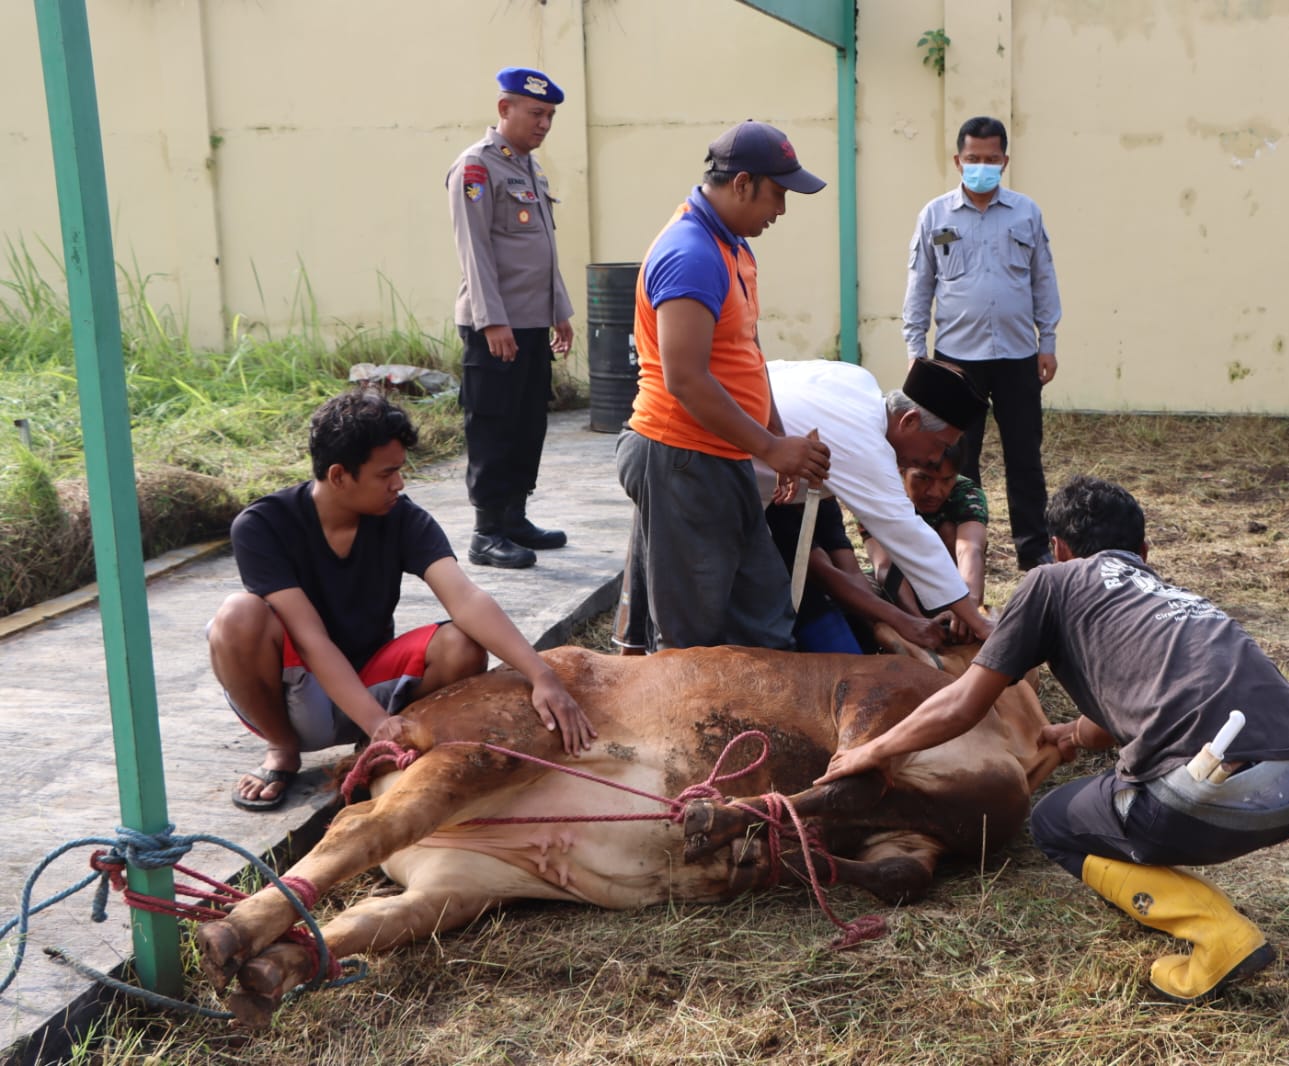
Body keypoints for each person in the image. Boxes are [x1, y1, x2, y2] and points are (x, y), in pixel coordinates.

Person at [819, 476, 1289, 1003]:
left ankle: (1219, 935)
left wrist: (872, 750)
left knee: (1056, 823)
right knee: (1124, 791)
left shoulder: (1051, 582)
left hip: (1212, 791)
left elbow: (962, 702)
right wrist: (1073, 733)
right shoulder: (1177, 599)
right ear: (1144, 552)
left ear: (1058, 549)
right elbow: (1120, 715)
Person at [209, 390, 595, 811]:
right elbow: (310, 639)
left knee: (460, 643)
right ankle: (282, 750)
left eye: (401, 470)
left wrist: (541, 675)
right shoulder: (263, 525)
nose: (399, 483)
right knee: (237, 616)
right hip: (296, 697)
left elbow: (465, 598)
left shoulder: (402, 517)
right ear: (339, 476)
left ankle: (374, 749)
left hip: (374, 681)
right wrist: (378, 723)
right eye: (386, 473)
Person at [614, 120, 831, 652]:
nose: (779, 209)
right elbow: (686, 379)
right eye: (776, 194)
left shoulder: (733, 245)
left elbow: (745, 355)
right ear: (741, 184)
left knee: (761, 613)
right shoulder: (691, 253)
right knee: (690, 638)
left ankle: (748, 726)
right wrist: (769, 448)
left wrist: (776, 438)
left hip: (719, 457)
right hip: (682, 458)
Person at [903, 115, 1061, 571]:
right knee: (956, 459)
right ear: (958, 160)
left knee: (1025, 458)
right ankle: (959, 548)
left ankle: (1034, 552)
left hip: (1018, 356)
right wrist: (917, 352)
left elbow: (1042, 280)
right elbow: (920, 285)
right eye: (973, 159)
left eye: (991, 160)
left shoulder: (1026, 213)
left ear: (1005, 161)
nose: (982, 167)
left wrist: (1046, 341)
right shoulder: (935, 215)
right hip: (956, 360)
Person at [764, 358, 994, 643]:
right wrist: (980, 624)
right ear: (909, 421)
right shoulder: (867, 448)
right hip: (714, 475)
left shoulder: (857, 379)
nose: (935, 460)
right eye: (940, 446)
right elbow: (912, 538)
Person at [447, 66, 575, 568]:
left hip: (531, 321)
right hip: (494, 324)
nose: (544, 124)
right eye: (535, 113)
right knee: (494, 425)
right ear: (505, 110)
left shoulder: (529, 169)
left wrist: (559, 312)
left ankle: (514, 518)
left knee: (527, 423)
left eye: (549, 116)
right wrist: (492, 321)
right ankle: (485, 533)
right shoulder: (475, 168)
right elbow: (474, 251)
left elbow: (543, 251)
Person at [764, 494, 946, 654]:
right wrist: (900, 620)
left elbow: (851, 571)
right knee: (845, 657)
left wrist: (897, 625)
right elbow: (822, 574)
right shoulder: (777, 505)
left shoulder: (824, 498)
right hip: (783, 595)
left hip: (821, 586)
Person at [862, 439, 988, 618]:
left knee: (947, 530)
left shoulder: (965, 491)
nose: (935, 492)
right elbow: (884, 565)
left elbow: (970, 548)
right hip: (896, 588)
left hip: (949, 592)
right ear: (901, 470)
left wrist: (970, 605)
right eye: (923, 478)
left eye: (946, 480)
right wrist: (917, 622)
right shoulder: (878, 495)